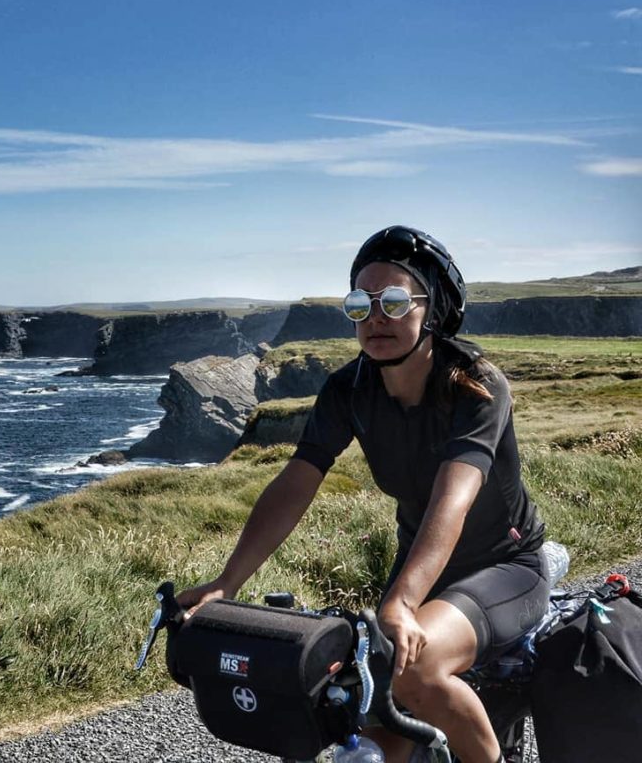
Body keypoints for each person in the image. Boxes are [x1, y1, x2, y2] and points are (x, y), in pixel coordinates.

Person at [177, 226, 548, 763]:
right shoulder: (349, 389)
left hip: (505, 565)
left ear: (432, 308)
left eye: (394, 301)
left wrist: (400, 601)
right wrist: (226, 583)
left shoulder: (475, 386)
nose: (376, 317)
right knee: (370, 710)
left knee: (415, 672)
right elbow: (296, 481)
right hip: (422, 570)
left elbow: (453, 502)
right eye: (360, 304)